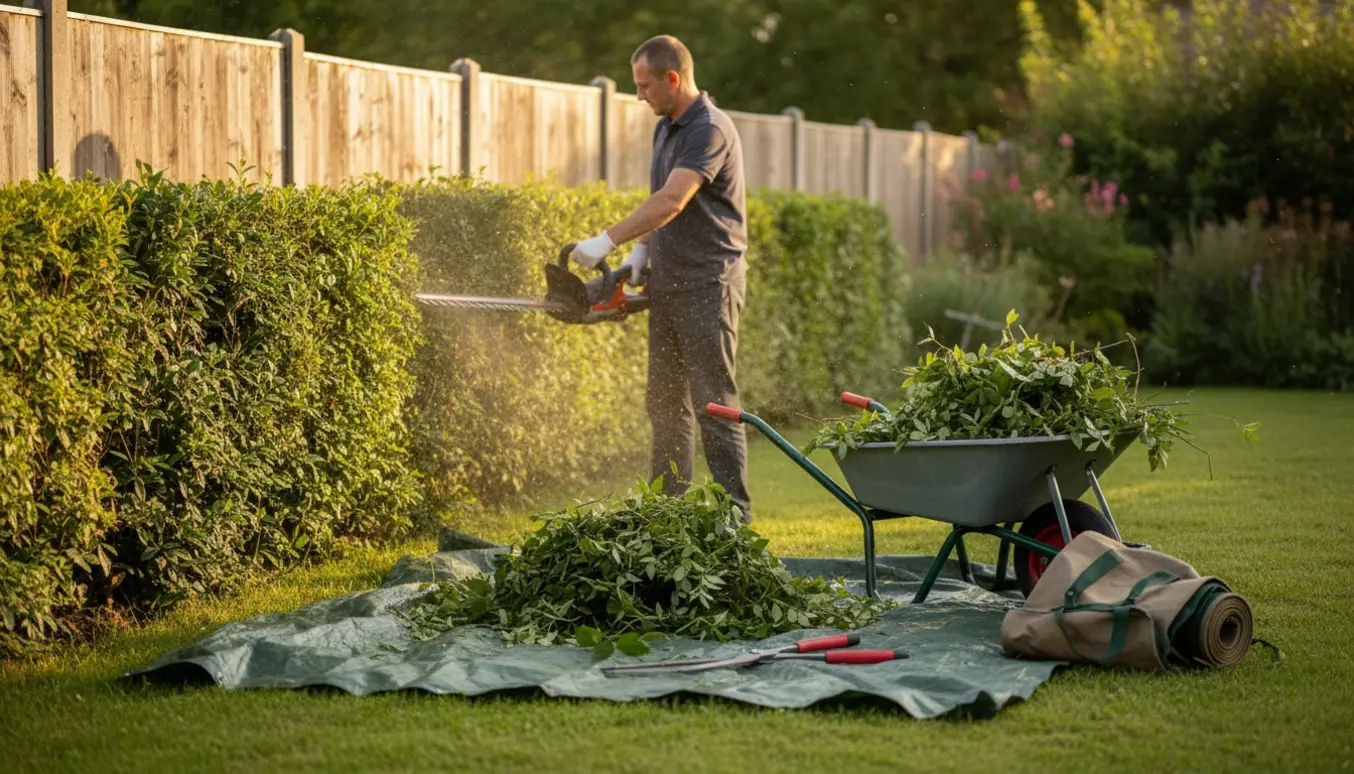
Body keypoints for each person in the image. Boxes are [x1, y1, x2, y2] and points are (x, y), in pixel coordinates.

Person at [569, 34, 752, 522]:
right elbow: (660, 210)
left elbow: (672, 200)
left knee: (715, 404)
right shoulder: (666, 127)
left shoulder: (709, 129)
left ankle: (735, 518)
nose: (639, 95)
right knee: (666, 405)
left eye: (644, 85)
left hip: (710, 285)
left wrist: (603, 242)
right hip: (669, 286)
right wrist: (634, 258)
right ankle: (665, 514)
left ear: (673, 78)